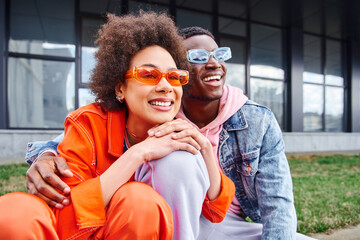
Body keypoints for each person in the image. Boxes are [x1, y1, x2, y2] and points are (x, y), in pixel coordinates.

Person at [23, 26, 314, 239]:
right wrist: (44, 154)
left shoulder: (254, 120)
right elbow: (79, 134)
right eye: (199, 57)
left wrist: (205, 153)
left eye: (172, 76)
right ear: (120, 87)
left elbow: (265, 205)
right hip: (152, 217)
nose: (213, 63)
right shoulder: (155, 111)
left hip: (221, 221)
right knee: (172, 163)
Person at [0, 13, 235, 240]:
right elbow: (64, 211)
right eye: (148, 74)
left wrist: (204, 148)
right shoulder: (88, 124)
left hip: (136, 226)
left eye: (174, 77)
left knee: (139, 201)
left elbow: (216, 210)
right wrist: (137, 154)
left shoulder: (178, 133)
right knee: (14, 211)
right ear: (120, 88)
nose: (166, 86)